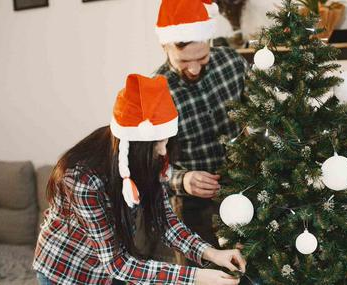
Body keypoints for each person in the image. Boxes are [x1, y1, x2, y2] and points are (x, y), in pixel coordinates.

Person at [33, 74, 246, 284]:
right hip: (65, 271)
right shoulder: (82, 179)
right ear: (134, 145)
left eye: (166, 141)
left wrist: (211, 253)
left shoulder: (147, 162)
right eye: (157, 144)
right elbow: (117, 264)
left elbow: (167, 223)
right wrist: (195, 277)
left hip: (110, 270)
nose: (163, 152)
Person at [153, 0, 249, 252]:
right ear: (164, 45)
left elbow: (261, 117)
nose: (194, 68)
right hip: (193, 209)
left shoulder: (232, 63)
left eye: (202, 57)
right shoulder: (155, 93)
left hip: (247, 188)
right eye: (184, 61)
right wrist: (181, 180)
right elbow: (145, 165)